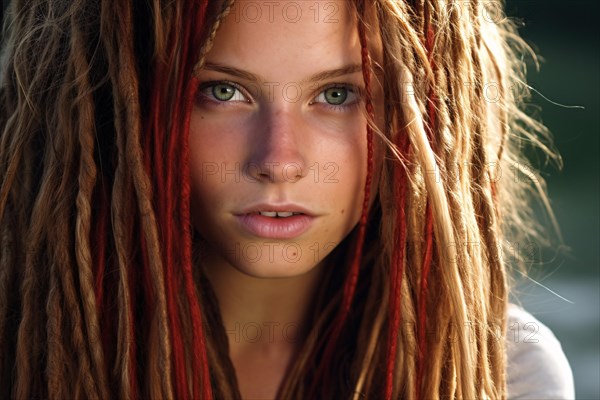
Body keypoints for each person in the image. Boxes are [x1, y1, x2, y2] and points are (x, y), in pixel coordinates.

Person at [0, 0, 574, 399]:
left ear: (427, 111)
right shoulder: (24, 356)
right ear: (108, 100)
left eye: (337, 94)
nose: (278, 161)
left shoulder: (500, 375)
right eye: (222, 91)